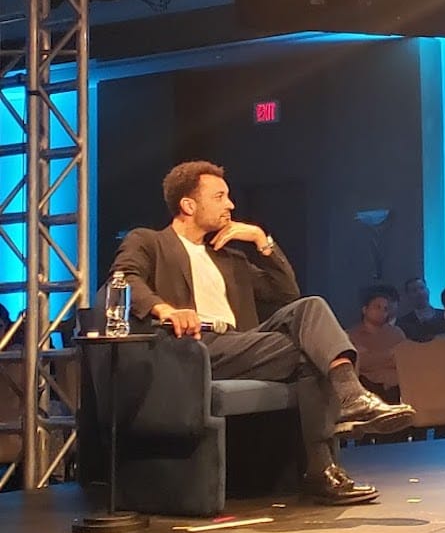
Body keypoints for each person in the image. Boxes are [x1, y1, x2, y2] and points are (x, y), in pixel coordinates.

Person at [109, 161, 416, 505]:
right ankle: (328, 456)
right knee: (315, 355)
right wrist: (166, 310)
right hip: (191, 347)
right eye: (220, 196)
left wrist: (262, 240)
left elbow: (286, 295)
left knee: (311, 310)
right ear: (188, 205)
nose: (231, 205)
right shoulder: (150, 241)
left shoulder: (227, 256)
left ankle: (343, 413)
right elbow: (124, 279)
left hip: (241, 344)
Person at [345, 285, 406, 402]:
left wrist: (372, 355)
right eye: (377, 307)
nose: (382, 311)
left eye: (386, 308)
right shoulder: (351, 335)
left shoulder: (396, 333)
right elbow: (360, 363)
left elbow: (402, 361)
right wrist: (389, 354)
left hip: (397, 387)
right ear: (365, 310)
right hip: (367, 388)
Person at [397, 277, 445, 342]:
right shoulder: (403, 323)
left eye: (422, 288)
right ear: (408, 296)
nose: (420, 293)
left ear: (428, 291)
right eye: (414, 290)